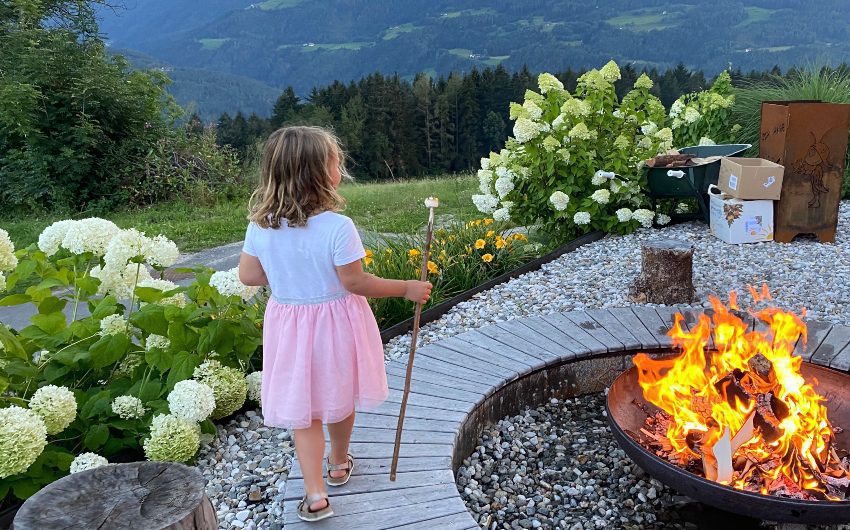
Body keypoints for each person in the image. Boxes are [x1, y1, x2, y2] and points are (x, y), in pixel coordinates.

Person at [238, 126, 432, 522]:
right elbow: (355, 282)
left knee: (303, 410)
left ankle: (314, 495)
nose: (339, 166)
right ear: (320, 174)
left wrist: (288, 277)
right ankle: (339, 462)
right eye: (335, 161)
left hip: (289, 325)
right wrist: (407, 288)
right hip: (336, 323)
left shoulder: (261, 226)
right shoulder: (337, 228)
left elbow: (249, 276)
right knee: (338, 392)